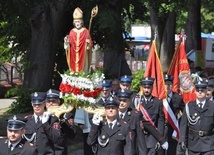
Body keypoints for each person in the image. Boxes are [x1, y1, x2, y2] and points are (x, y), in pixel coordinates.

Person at [117, 89, 168, 155]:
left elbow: (149, 126)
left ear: (129, 102)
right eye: (120, 100)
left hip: (130, 150)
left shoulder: (135, 115)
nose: (121, 103)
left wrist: (161, 140)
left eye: (124, 101)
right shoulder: (111, 115)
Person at [177, 81, 214, 155]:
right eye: (198, 90)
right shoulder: (189, 106)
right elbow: (183, 125)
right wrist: (182, 139)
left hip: (208, 143)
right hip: (193, 143)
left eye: (202, 90)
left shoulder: (212, 106)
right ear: (195, 92)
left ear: (206, 91)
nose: (200, 92)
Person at [133, 77, 165, 155]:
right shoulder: (136, 101)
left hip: (152, 137)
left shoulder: (158, 102)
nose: (146, 90)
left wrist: (159, 138)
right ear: (141, 88)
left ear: (152, 88)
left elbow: (160, 122)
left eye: (148, 87)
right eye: (145, 87)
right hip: (139, 137)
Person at [46, 89, 76, 155]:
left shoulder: (66, 115)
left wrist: (63, 123)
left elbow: (72, 135)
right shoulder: (42, 116)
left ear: (58, 102)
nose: (51, 103)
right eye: (48, 101)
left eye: (53, 101)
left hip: (59, 151)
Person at [64, 7, 93, 72]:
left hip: (82, 54)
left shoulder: (85, 31)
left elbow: (90, 45)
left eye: (79, 22)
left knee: (83, 66)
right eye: (76, 22)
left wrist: (88, 44)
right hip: (73, 55)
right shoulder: (72, 31)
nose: (77, 23)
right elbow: (68, 44)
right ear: (74, 23)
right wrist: (66, 42)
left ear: (81, 22)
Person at [163, 74, 184, 155]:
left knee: (172, 151)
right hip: (161, 130)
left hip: (173, 130)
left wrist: (179, 124)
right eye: (165, 84)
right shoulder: (159, 97)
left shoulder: (178, 97)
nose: (167, 86)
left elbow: (184, 113)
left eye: (169, 84)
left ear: (172, 85)